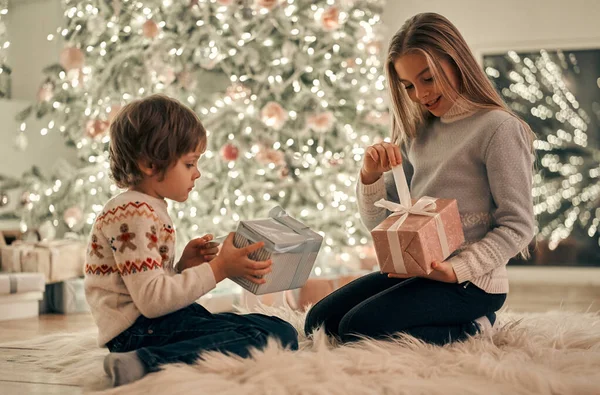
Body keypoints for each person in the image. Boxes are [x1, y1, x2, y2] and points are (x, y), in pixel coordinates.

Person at [304, 12, 535, 346]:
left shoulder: (498, 128)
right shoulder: (417, 134)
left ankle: (476, 326)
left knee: (357, 328)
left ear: (456, 62)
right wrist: (370, 177)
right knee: (319, 322)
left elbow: (518, 226)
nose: (420, 95)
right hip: (418, 272)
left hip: (472, 284)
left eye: (427, 79)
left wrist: (457, 269)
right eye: (409, 85)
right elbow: (382, 223)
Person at [84, 94, 298, 387]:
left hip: (152, 324)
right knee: (271, 336)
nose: (197, 174)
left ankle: (150, 357)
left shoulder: (143, 207)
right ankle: (144, 362)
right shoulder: (133, 214)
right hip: (137, 333)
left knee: (276, 328)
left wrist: (183, 268)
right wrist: (219, 269)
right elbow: (151, 302)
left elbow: (149, 287)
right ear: (149, 164)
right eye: (189, 164)